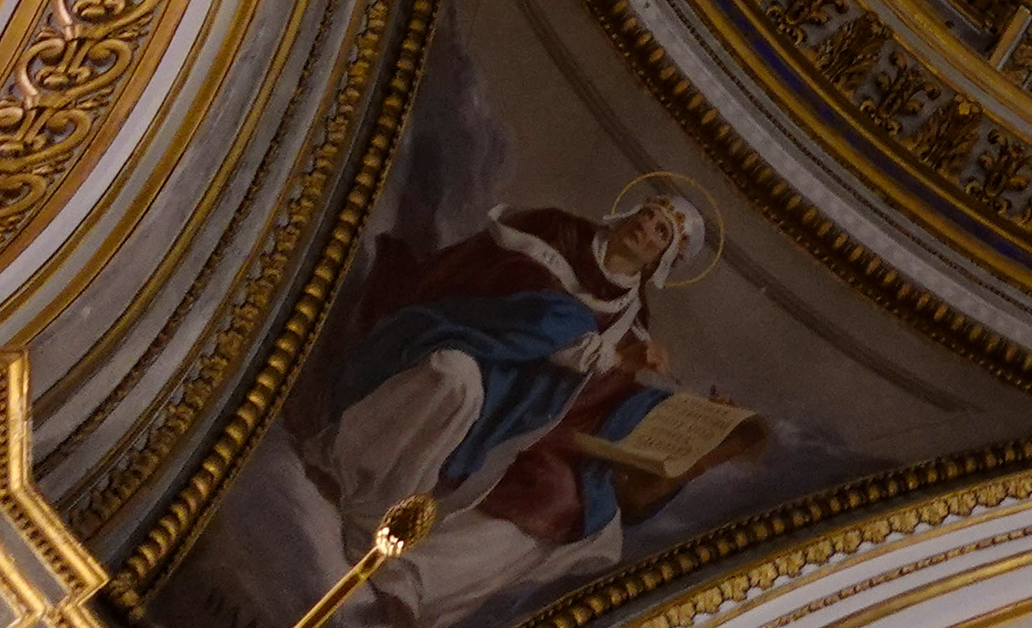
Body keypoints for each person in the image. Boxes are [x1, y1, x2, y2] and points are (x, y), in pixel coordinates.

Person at [304, 192, 760, 627]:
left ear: (661, 262)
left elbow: (604, 401)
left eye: (661, 232)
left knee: (577, 513)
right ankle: (349, 476)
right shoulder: (554, 233)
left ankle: (411, 577)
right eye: (648, 213)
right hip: (460, 340)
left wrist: (698, 421)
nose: (646, 225)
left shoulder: (632, 323)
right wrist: (599, 352)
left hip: (517, 420)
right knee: (455, 378)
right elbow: (508, 292)